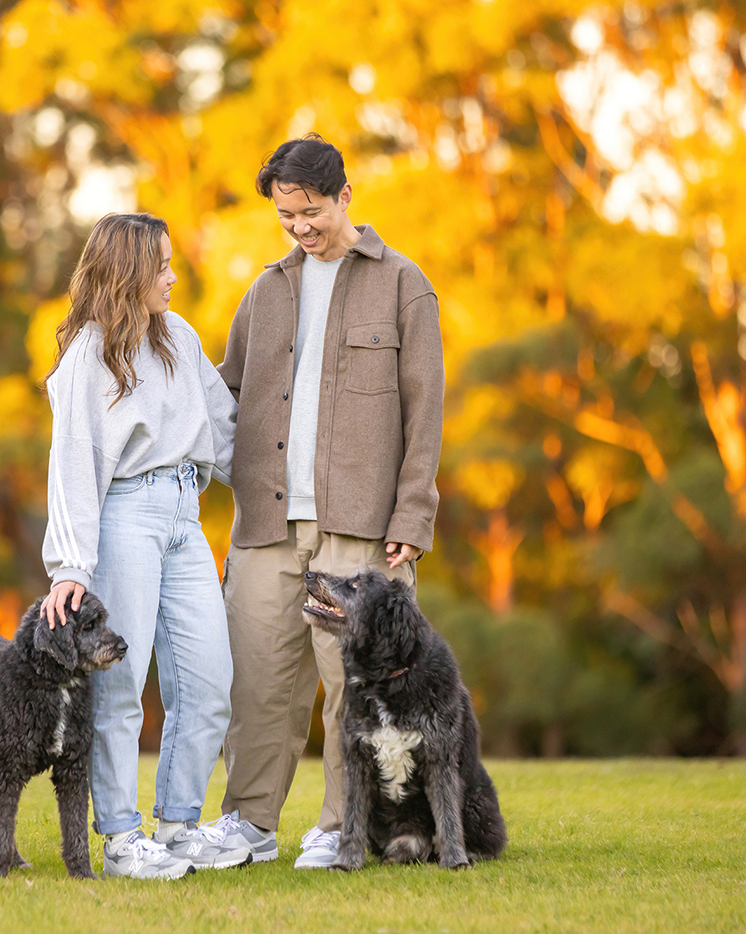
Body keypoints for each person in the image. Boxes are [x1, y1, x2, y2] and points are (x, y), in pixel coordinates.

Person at [203, 135, 445, 868]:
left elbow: (425, 408)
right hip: (267, 527)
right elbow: (227, 395)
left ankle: (342, 827)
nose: (301, 228)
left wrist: (413, 515)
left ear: (345, 195)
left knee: (354, 689)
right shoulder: (266, 291)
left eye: (310, 212)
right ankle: (248, 823)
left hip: (362, 529)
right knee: (260, 683)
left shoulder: (405, 285)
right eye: (286, 217)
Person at [40, 212, 250, 879]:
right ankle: (123, 840)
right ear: (129, 270)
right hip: (123, 515)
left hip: (186, 515)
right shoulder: (88, 355)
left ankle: (181, 827)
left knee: (210, 677)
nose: (173, 274)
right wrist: (71, 564)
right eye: (161, 264)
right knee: (121, 685)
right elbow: (73, 461)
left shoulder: (180, 337)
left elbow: (229, 430)